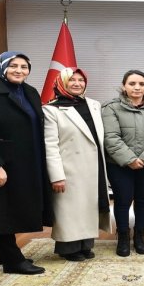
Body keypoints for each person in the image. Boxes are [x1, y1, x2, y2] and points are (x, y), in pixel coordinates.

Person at [0, 52, 53, 275]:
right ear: (1, 67)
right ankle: (13, 260)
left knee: (12, 208)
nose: (19, 70)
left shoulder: (30, 92)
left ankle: (0, 252)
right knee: (2, 210)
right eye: (13, 65)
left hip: (27, 162)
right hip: (0, 164)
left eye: (24, 67)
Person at [43, 68, 111, 262]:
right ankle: (69, 248)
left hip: (94, 165)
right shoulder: (51, 109)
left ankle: (85, 245)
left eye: (81, 80)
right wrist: (56, 175)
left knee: (89, 206)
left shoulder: (94, 105)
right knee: (70, 210)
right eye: (71, 80)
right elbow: (50, 145)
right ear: (62, 83)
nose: (77, 83)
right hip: (69, 168)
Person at [102, 70, 144, 257]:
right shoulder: (111, 108)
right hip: (119, 164)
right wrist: (130, 159)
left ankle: (140, 236)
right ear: (124, 86)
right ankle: (123, 237)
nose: (137, 87)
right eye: (132, 83)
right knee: (122, 200)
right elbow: (111, 137)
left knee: (143, 200)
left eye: (141, 84)